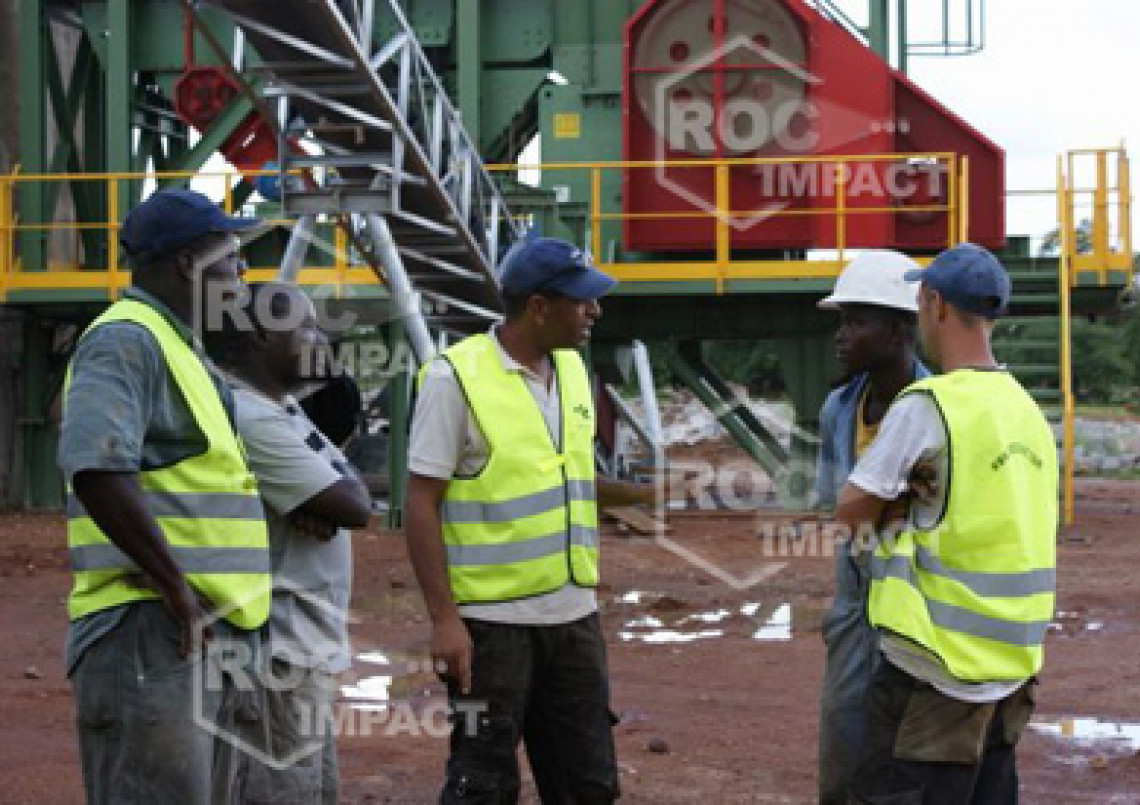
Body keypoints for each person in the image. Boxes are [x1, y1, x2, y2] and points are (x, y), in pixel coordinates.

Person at [405, 236, 652, 804]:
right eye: (582, 300)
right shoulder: (454, 378)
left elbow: (565, 480)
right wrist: (444, 620)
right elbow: (421, 502)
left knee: (587, 783)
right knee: (483, 783)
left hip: (573, 619)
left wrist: (649, 495)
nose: (595, 311)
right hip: (491, 628)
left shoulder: (570, 371)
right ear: (540, 306)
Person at [58, 189, 272, 803]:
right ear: (188, 265)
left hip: (199, 630)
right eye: (233, 260)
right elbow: (96, 467)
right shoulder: (125, 339)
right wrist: (175, 585)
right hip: (150, 628)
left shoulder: (177, 348)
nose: (242, 276)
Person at [837, 243, 1057, 804]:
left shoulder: (928, 405)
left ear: (933, 304)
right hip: (1010, 668)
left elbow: (851, 511)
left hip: (931, 667)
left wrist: (896, 513)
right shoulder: (1026, 411)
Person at [206, 281, 372, 804]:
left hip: (305, 647)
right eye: (304, 327)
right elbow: (356, 506)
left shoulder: (283, 408)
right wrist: (326, 491)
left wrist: (324, 491)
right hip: (276, 652)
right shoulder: (251, 418)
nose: (318, 338)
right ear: (258, 338)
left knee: (314, 792)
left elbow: (347, 493)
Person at [813, 250, 929, 804]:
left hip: (919, 605)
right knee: (842, 740)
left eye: (856, 320)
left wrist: (869, 508)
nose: (842, 334)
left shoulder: (939, 408)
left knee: (905, 755)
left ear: (900, 327)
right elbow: (833, 505)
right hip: (856, 602)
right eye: (842, 320)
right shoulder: (840, 407)